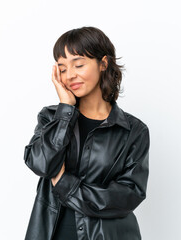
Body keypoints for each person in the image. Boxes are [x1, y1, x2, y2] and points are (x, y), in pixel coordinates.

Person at [23, 26, 150, 240]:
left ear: (103, 63)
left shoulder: (133, 131)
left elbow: (126, 197)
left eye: (79, 64)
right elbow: (41, 164)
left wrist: (65, 184)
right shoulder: (51, 118)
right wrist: (65, 111)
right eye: (62, 69)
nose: (70, 75)